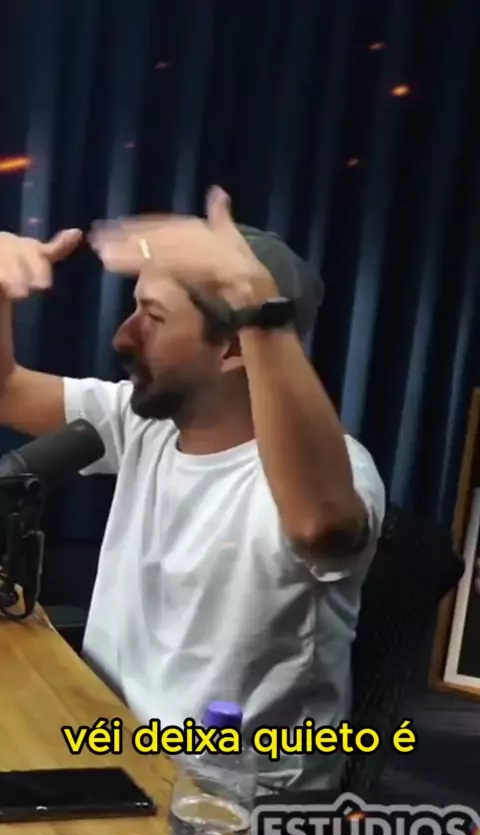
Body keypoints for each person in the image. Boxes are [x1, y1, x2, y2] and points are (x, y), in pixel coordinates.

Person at [0, 187, 385, 793]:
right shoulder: (143, 422)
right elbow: (8, 391)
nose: (123, 336)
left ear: (233, 346)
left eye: (153, 317)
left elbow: (321, 525)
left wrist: (257, 307)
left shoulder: (340, 471)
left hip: (230, 802)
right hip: (111, 743)